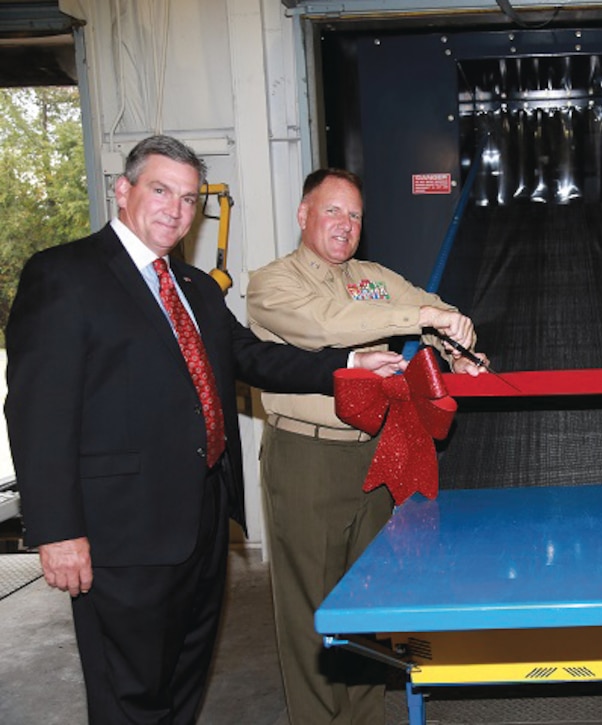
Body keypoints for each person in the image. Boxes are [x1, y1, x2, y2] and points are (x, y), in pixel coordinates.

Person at [3, 135, 403, 724]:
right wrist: (57, 532)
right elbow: (38, 412)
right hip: (121, 532)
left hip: (203, 521)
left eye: (190, 199)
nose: (177, 209)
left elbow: (254, 357)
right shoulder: (66, 275)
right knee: (128, 693)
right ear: (123, 190)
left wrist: (345, 366)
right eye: (161, 190)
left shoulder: (191, 287)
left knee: (184, 678)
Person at [245, 168, 486, 724]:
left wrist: (456, 342)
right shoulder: (273, 283)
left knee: (370, 597)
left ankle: (365, 715)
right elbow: (328, 325)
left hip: (374, 451)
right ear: (304, 215)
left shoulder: (372, 278)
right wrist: (422, 318)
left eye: (355, 216)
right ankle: (317, 719)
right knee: (311, 602)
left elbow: (426, 303)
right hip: (307, 457)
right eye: (333, 211)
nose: (345, 225)